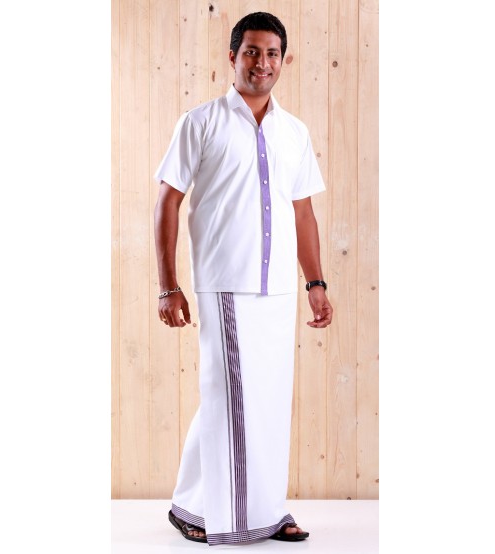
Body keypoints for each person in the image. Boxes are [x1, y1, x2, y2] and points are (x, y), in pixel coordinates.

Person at [153, 12, 333, 546]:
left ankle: (211, 505)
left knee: (264, 400)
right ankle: (234, 518)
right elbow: (167, 202)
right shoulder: (200, 122)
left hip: (277, 288)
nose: (262, 63)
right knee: (234, 398)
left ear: (284, 60)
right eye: (252, 51)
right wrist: (168, 285)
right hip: (226, 282)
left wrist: (316, 283)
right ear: (232, 57)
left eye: (272, 53)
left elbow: (303, 213)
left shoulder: (294, 132)